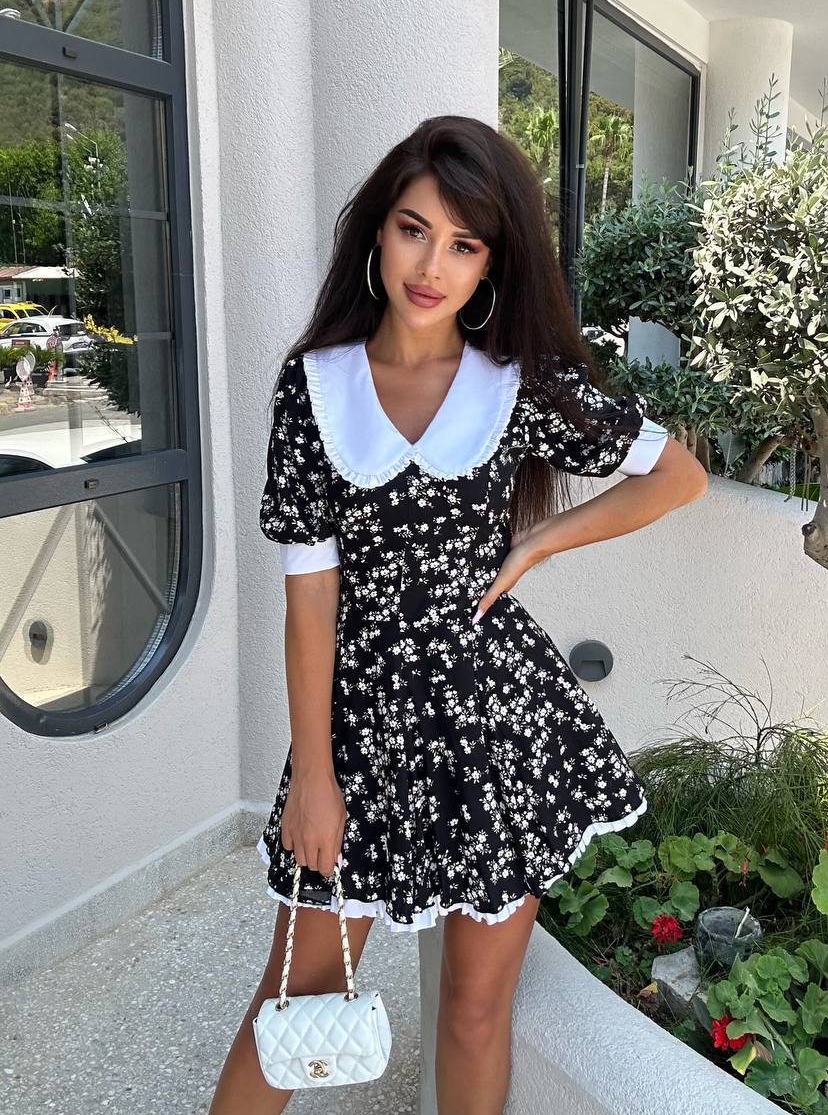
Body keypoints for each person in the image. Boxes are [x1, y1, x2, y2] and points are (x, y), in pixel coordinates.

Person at [208, 114, 707, 1114]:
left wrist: (536, 543)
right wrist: (315, 778)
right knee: (295, 995)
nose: (431, 266)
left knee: (476, 1011)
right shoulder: (315, 388)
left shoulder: (516, 385)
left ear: (491, 262)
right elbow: (309, 603)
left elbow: (676, 476)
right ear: (376, 234)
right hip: (357, 727)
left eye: (463, 243)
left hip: (495, 724)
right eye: (412, 230)